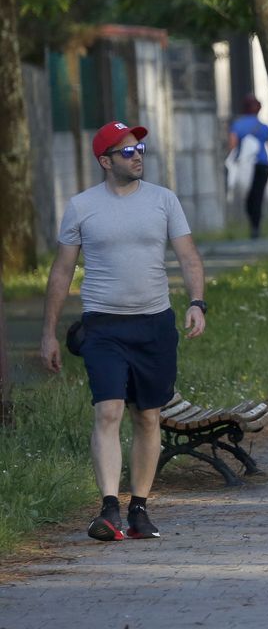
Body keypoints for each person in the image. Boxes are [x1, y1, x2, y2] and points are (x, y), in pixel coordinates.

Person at [41, 120, 207, 541]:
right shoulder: (81, 206)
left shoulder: (163, 200)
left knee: (148, 416)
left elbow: (187, 256)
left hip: (154, 323)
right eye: (127, 152)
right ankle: (109, 507)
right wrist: (47, 333)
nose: (137, 157)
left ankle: (139, 508)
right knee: (109, 410)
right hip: (103, 325)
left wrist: (196, 302)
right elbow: (61, 272)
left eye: (140, 150)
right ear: (105, 160)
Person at [227, 95, 268, 238]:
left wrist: (231, 160)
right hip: (262, 165)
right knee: (259, 195)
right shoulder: (263, 126)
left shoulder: (237, 125)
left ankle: (253, 223)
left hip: (245, 166)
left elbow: (232, 144)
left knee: (247, 195)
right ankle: (256, 225)